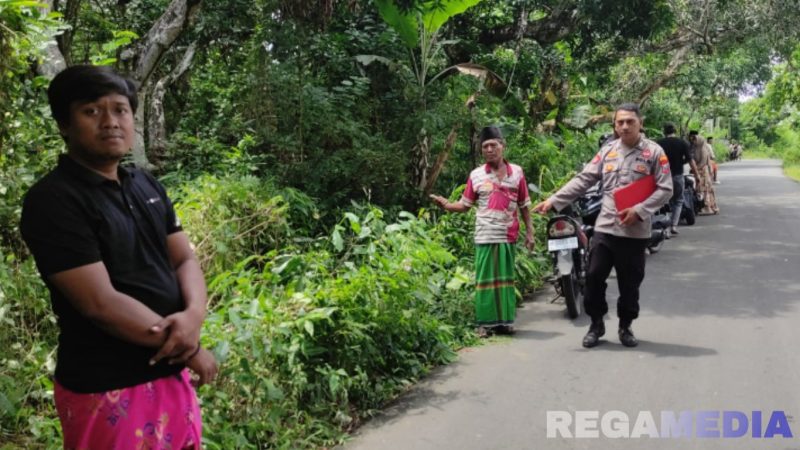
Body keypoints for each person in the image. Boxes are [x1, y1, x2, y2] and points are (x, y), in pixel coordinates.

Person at [20, 65, 217, 449]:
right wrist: (189, 347)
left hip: (169, 375)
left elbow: (184, 260)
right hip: (106, 386)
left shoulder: (145, 183)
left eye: (121, 109)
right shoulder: (54, 200)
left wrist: (194, 317)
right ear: (64, 124)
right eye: (92, 111)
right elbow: (99, 302)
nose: (111, 121)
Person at [533, 103, 672, 348]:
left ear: (640, 122)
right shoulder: (607, 151)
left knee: (630, 284)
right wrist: (554, 200)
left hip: (635, 232)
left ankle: (625, 325)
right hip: (606, 228)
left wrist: (639, 211)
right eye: (620, 122)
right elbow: (584, 179)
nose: (625, 126)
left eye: (630, 121)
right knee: (594, 276)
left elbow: (666, 189)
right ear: (615, 126)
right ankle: (596, 323)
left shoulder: (654, 152)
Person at [430, 126, 534, 337]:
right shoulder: (476, 175)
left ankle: (505, 322)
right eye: (485, 146)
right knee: (485, 280)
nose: (489, 150)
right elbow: (465, 205)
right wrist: (447, 205)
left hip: (508, 234)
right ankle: (485, 324)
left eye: (493, 145)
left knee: (505, 280)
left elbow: (524, 205)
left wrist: (530, 232)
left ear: (502, 146)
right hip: (486, 233)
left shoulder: (517, 173)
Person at [657, 123, 698, 236]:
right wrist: (697, 174)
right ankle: (674, 225)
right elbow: (690, 160)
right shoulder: (682, 142)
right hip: (678, 176)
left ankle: (665, 226)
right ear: (674, 131)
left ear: (664, 131)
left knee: (664, 201)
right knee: (678, 200)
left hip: (663, 177)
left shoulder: (659, 144)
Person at [689, 134, 719, 215]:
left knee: (705, 189)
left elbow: (702, 162)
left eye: (695, 140)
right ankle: (700, 207)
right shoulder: (695, 149)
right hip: (698, 171)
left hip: (703, 171)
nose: (694, 141)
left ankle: (708, 207)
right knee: (699, 189)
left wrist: (695, 169)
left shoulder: (703, 150)